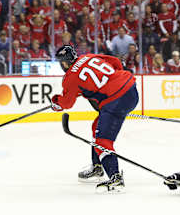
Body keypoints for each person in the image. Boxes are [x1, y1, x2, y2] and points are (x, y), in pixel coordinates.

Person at [50, 45, 139, 193]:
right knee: (96, 127)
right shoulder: (89, 57)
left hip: (115, 100)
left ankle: (115, 177)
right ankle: (97, 167)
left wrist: (55, 103)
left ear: (64, 63)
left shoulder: (70, 77)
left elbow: (66, 103)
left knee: (102, 141)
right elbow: (116, 62)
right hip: (130, 87)